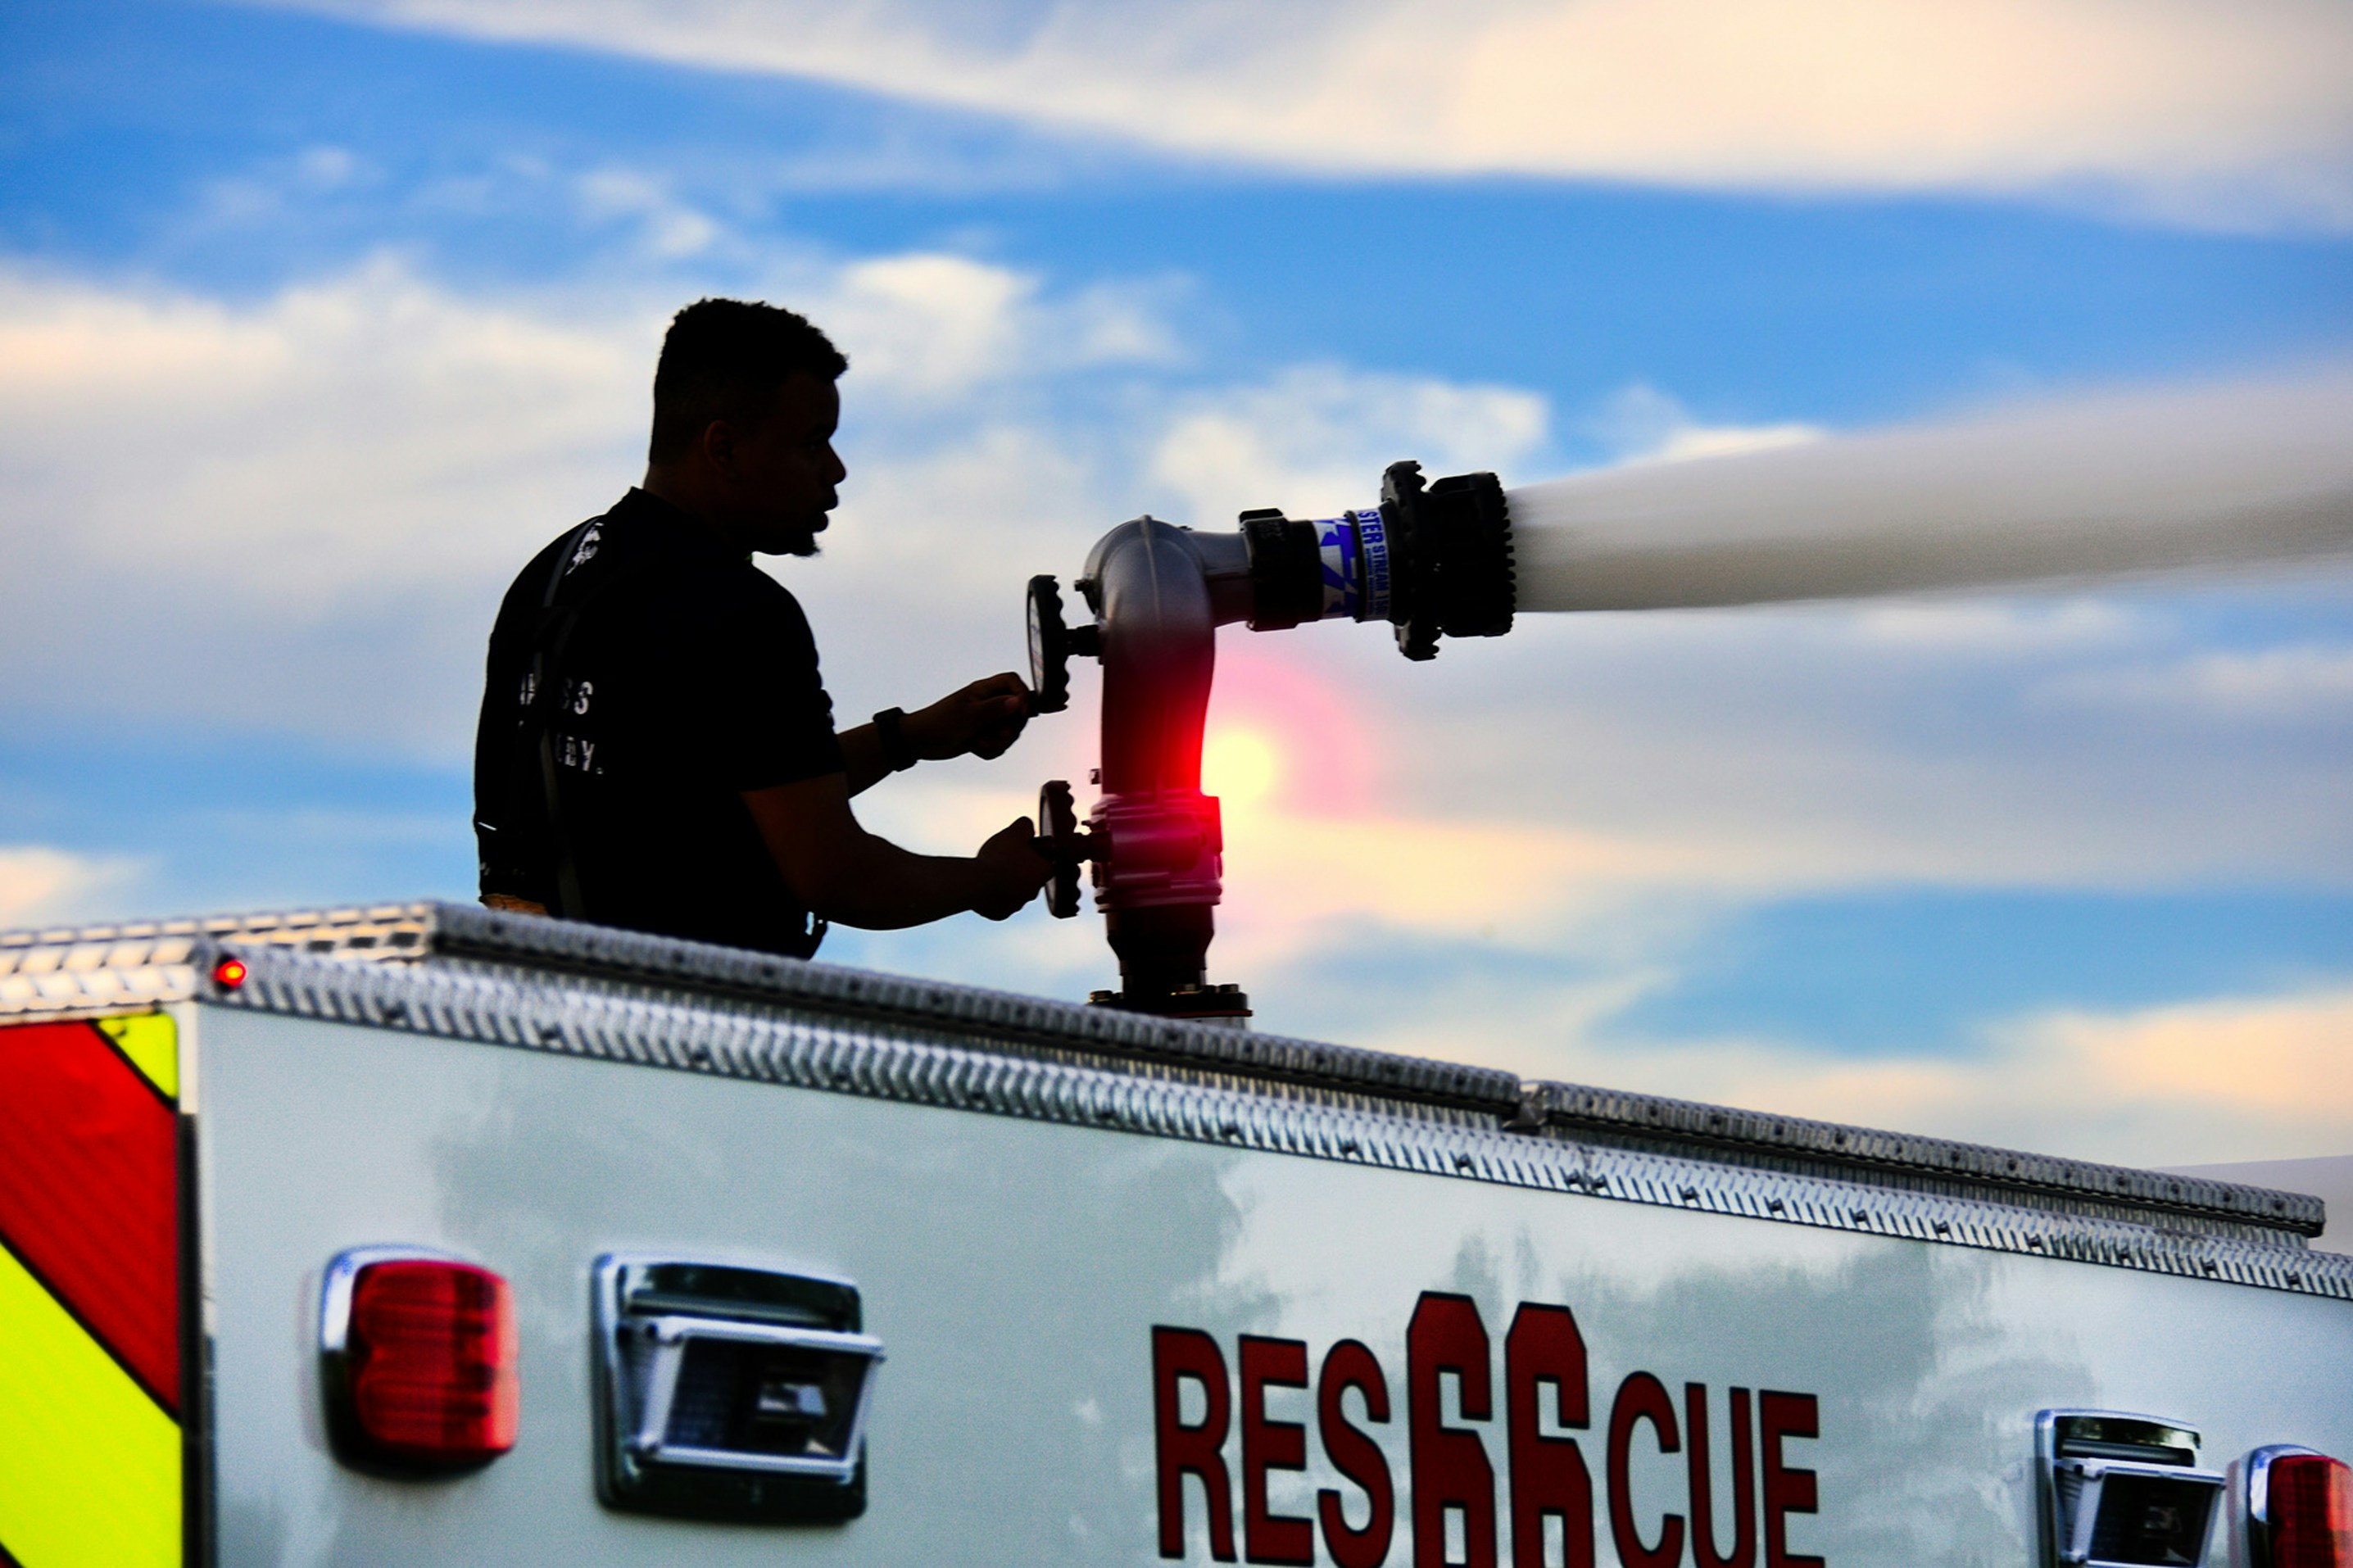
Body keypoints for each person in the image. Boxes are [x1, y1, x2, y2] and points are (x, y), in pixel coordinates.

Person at [472, 297, 1050, 956]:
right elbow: (838, 877)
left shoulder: (554, 579)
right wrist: (986, 881)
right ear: (724, 448)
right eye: (812, 443)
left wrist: (907, 738)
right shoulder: (738, 612)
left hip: (545, 1027)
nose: (835, 471)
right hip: (689, 1036)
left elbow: (703, 795)